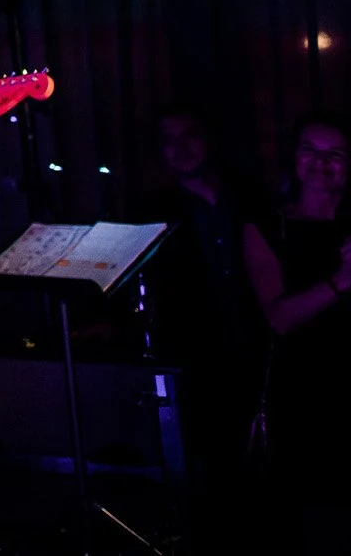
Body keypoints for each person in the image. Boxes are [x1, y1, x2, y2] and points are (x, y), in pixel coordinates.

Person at [135, 105, 265, 535]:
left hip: (263, 347)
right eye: (168, 141)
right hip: (196, 357)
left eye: (189, 135)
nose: (180, 148)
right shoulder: (154, 211)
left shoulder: (251, 198)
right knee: (210, 472)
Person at [240, 111, 351, 551]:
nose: (322, 162)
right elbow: (279, 318)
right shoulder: (267, 227)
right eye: (311, 150)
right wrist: (342, 279)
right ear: (293, 159)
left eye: (336, 153)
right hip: (304, 398)